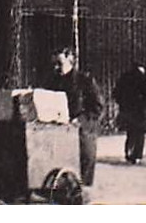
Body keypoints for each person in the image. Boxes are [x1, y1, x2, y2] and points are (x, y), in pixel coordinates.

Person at [44, 47, 103, 186]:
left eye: (59, 63)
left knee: (81, 181)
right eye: (54, 64)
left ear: (70, 60)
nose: (56, 67)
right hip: (58, 135)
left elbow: (98, 107)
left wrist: (80, 120)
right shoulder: (51, 82)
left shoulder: (85, 81)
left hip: (81, 136)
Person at [113, 62, 146, 164]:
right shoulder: (142, 79)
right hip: (139, 111)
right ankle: (137, 155)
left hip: (127, 110)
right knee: (140, 134)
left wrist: (122, 104)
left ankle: (128, 153)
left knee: (130, 133)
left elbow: (116, 93)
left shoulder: (124, 78)